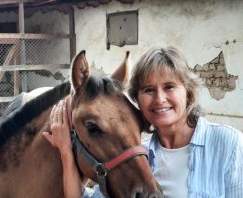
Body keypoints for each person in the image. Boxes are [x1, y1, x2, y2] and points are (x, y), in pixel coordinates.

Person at [43, 46, 243, 198]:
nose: (159, 99)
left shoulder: (228, 144)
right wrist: (67, 152)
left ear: (188, 92)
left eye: (169, 87)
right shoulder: (137, 154)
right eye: (148, 89)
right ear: (137, 99)